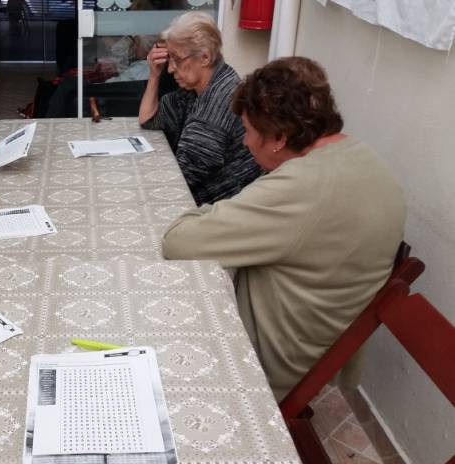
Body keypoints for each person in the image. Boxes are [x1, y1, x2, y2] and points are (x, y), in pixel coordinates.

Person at [161, 57, 407, 399]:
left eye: (247, 130)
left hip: (272, 365)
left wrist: (209, 211)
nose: (245, 142)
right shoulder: (363, 157)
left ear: (278, 137)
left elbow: (178, 242)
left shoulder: (303, 187)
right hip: (321, 345)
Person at [138, 12, 262, 205]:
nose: (170, 69)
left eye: (176, 59)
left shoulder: (217, 103)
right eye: (169, 59)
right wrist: (154, 75)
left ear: (204, 58)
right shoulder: (204, 84)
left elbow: (180, 180)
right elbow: (149, 119)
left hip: (220, 208)